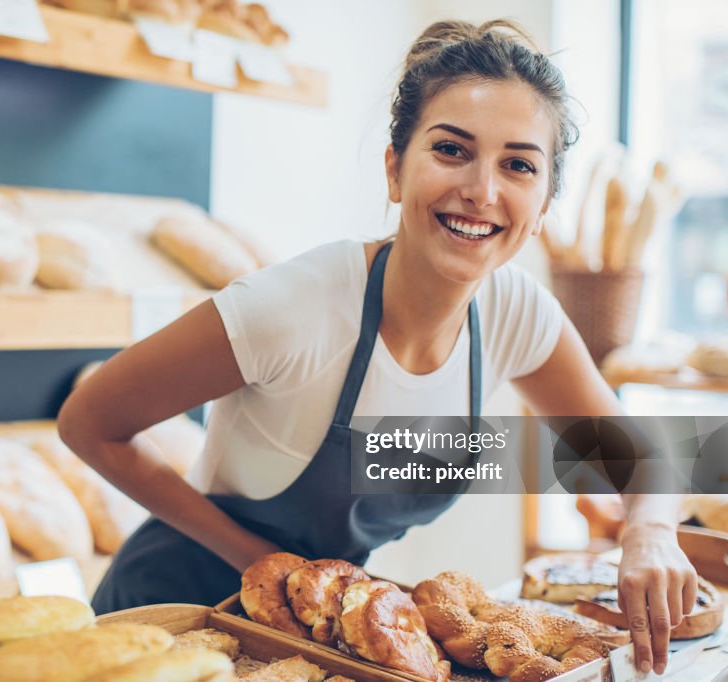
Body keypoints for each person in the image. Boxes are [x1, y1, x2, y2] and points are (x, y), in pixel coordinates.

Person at [58, 19, 696, 676]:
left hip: (317, 634)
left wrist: (649, 531)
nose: (482, 190)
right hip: (171, 622)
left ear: (540, 209)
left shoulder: (516, 314)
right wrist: (261, 564)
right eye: (451, 150)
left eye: (518, 164)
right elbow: (88, 421)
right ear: (395, 170)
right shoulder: (296, 305)